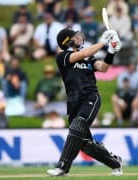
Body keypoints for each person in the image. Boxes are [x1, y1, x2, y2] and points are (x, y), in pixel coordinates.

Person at [47, 28, 123, 176]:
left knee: (78, 124)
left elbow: (103, 67)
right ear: (68, 42)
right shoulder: (62, 57)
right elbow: (84, 53)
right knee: (86, 145)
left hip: (91, 98)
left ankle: (62, 167)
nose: (79, 37)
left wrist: (111, 52)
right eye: (75, 36)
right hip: (73, 102)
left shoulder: (88, 59)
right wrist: (103, 42)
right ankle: (116, 162)